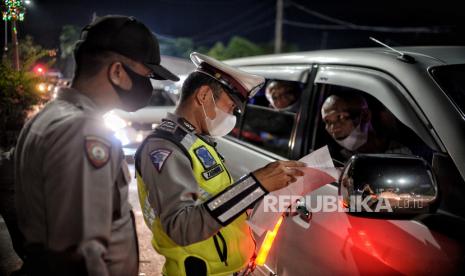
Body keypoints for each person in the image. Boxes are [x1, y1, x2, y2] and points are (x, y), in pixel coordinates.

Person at [14, 15, 179, 275]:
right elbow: (79, 256)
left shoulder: (48, 116)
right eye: (146, 75)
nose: (147, 85)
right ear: (116, 72)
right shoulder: (82, 131)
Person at [135, 52, 305, 275]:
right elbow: (182, 227)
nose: (232, 117)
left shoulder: (195, 141)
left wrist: (264, 198)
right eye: (230, 107)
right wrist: (256, 184)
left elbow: (215, 201)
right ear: (204, 95)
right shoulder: (165, 148)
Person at [321, 94, 411, 161]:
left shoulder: (402, 153)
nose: (333, 127)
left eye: (340, 117)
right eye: (327, 121)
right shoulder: (335, 161)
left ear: (365, 115)